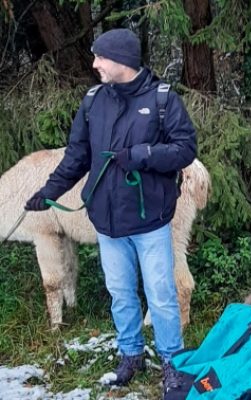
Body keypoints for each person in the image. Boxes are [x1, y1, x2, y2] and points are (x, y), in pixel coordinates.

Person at [24, 28, 196, 398]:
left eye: (101, 57)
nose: (95, 64)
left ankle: (172, 361)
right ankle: (131, 353)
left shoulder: (163, 100)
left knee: (161, 293)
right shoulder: (93, 101)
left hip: (149, 218)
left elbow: (184, 150)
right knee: (119, 292)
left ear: (123, 61)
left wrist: (141, 156)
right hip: (107, 220)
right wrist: (48, 192)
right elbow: (76, 157)